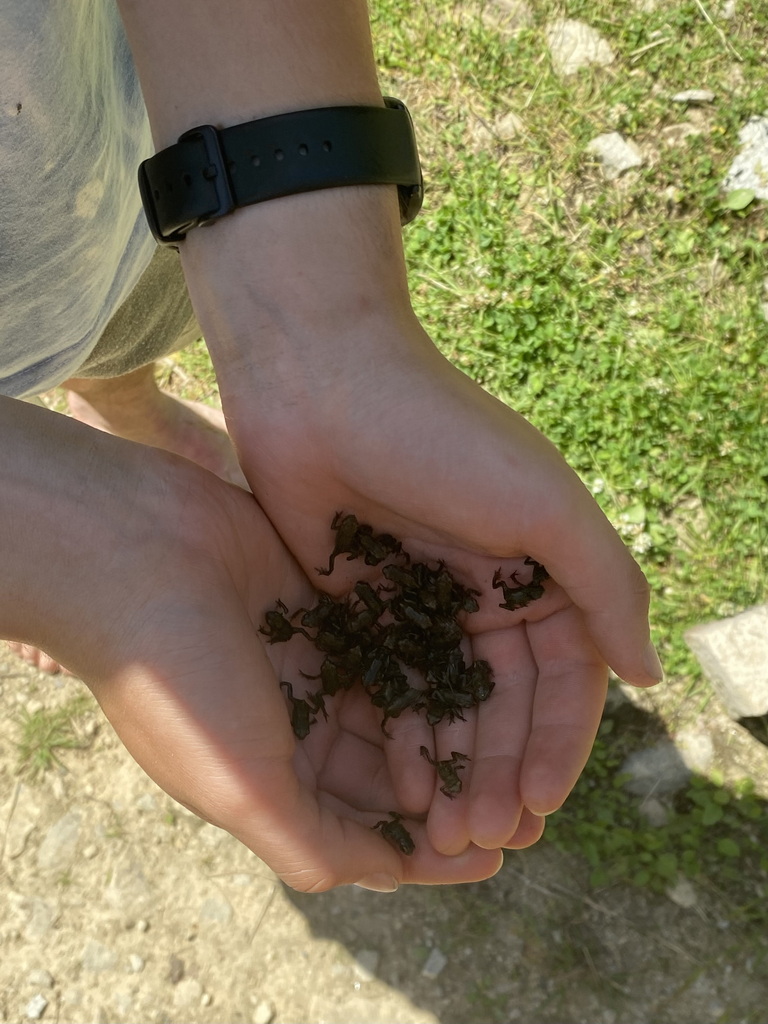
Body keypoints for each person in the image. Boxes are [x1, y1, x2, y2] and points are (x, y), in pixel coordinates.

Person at [0, 0, 662, 893]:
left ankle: (123, 404)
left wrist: (319, 324)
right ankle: (86, 430)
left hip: (132, 138)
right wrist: (53, 537)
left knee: (122, 326)